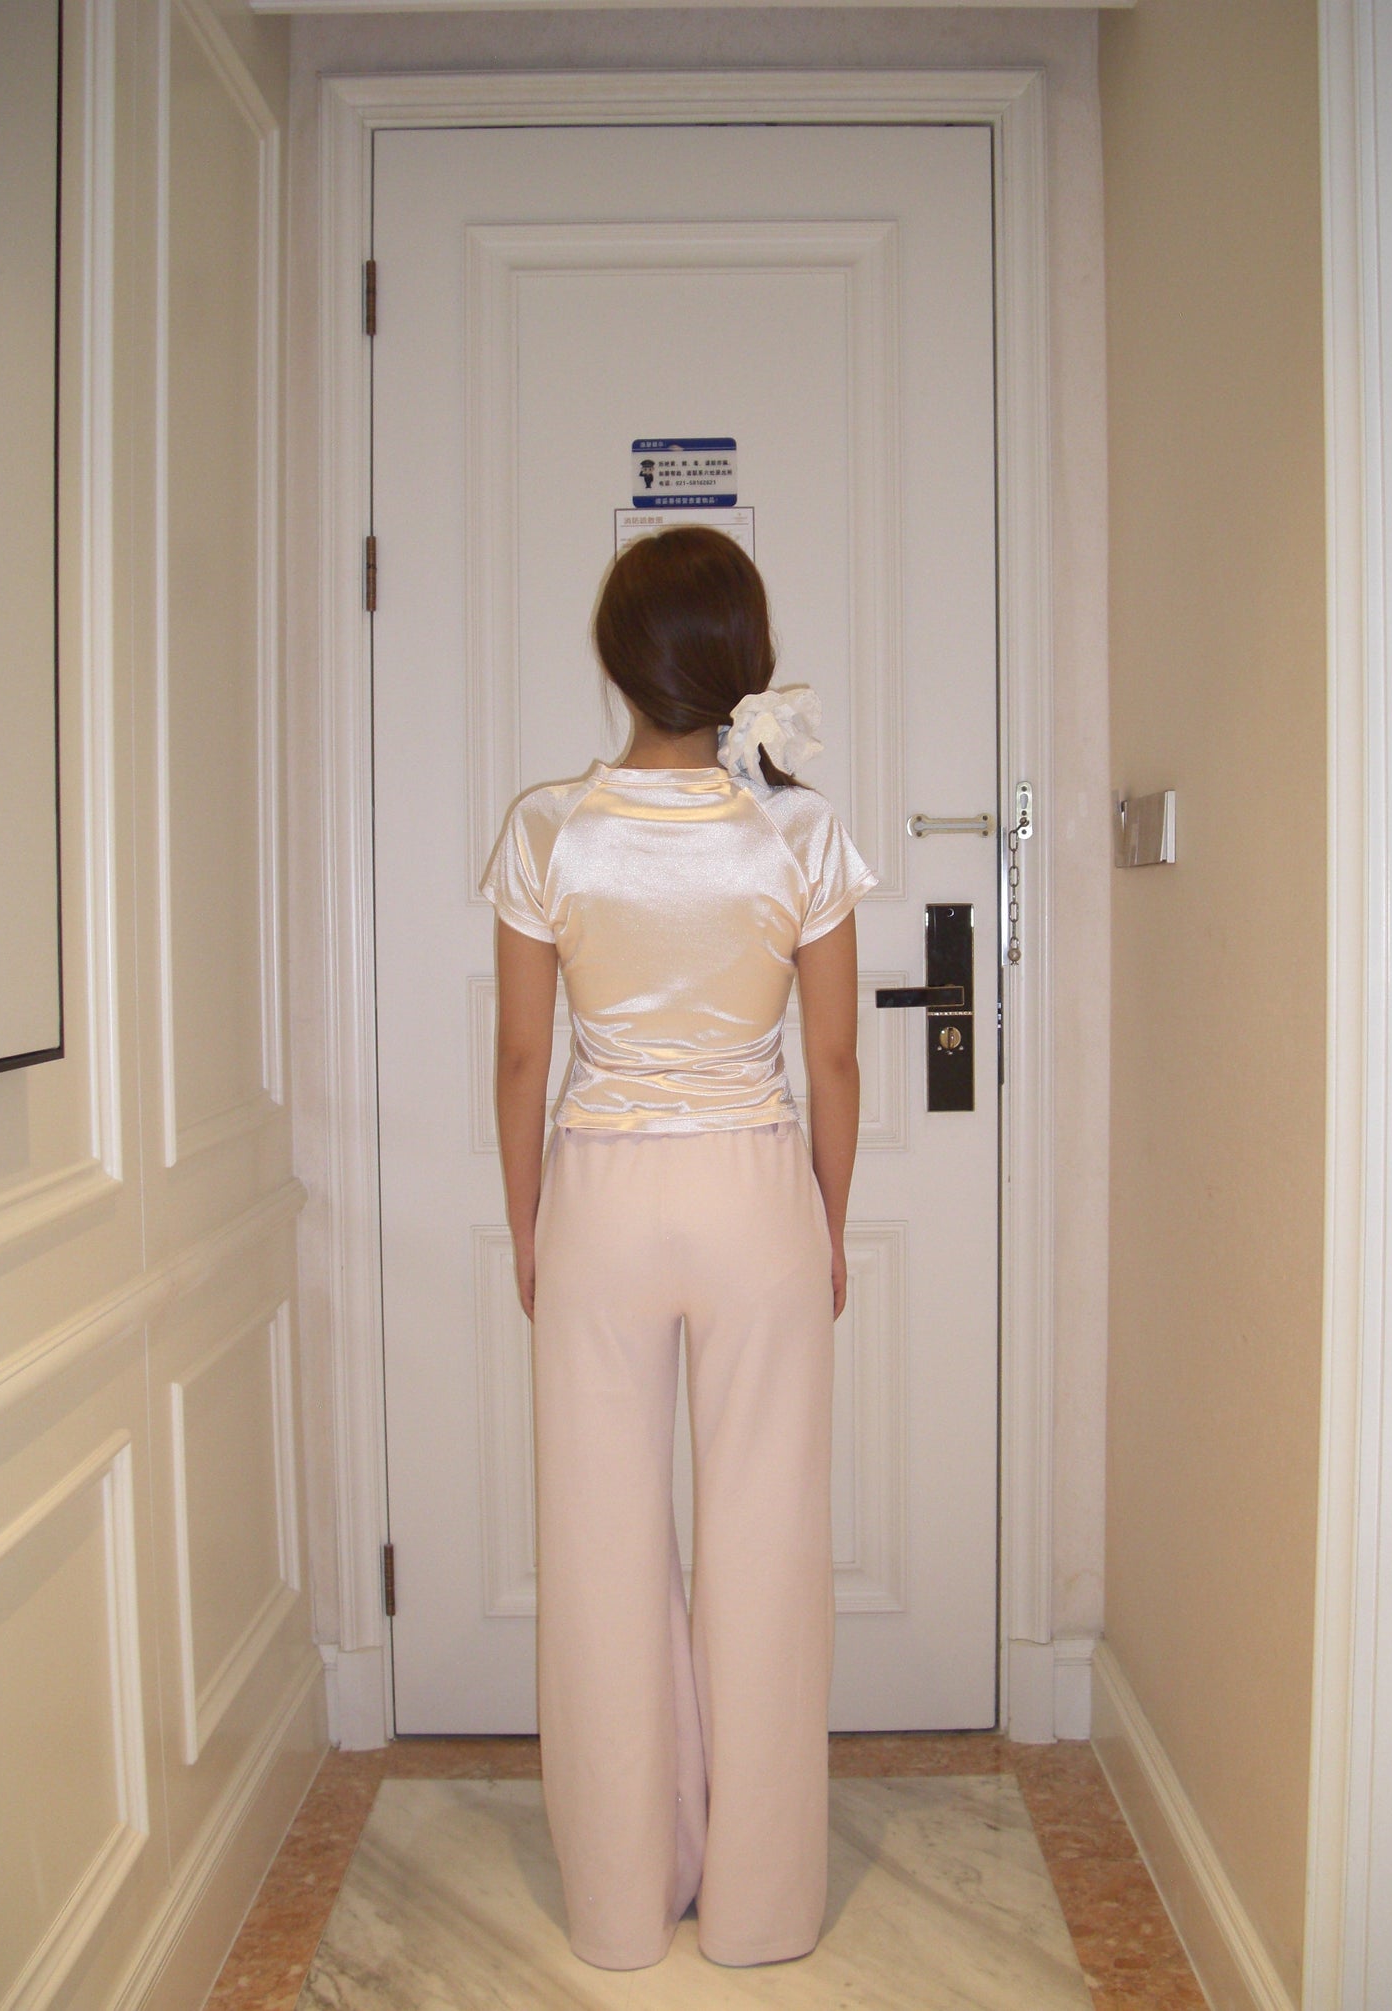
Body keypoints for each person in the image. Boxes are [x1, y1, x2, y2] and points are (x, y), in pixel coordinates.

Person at [479, 526, 877, 1971]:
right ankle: (761, 1910)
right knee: (767, 1539)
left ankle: (620, 1904)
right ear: (743, 664)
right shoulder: (799, 833)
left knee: (599, 1548)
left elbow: (523, 1060)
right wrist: (829, 1225)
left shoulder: (549, 829)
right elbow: (833, 1062)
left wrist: (527, 1228)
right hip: (756, 1192)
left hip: (600, 1194)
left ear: (615, 661)